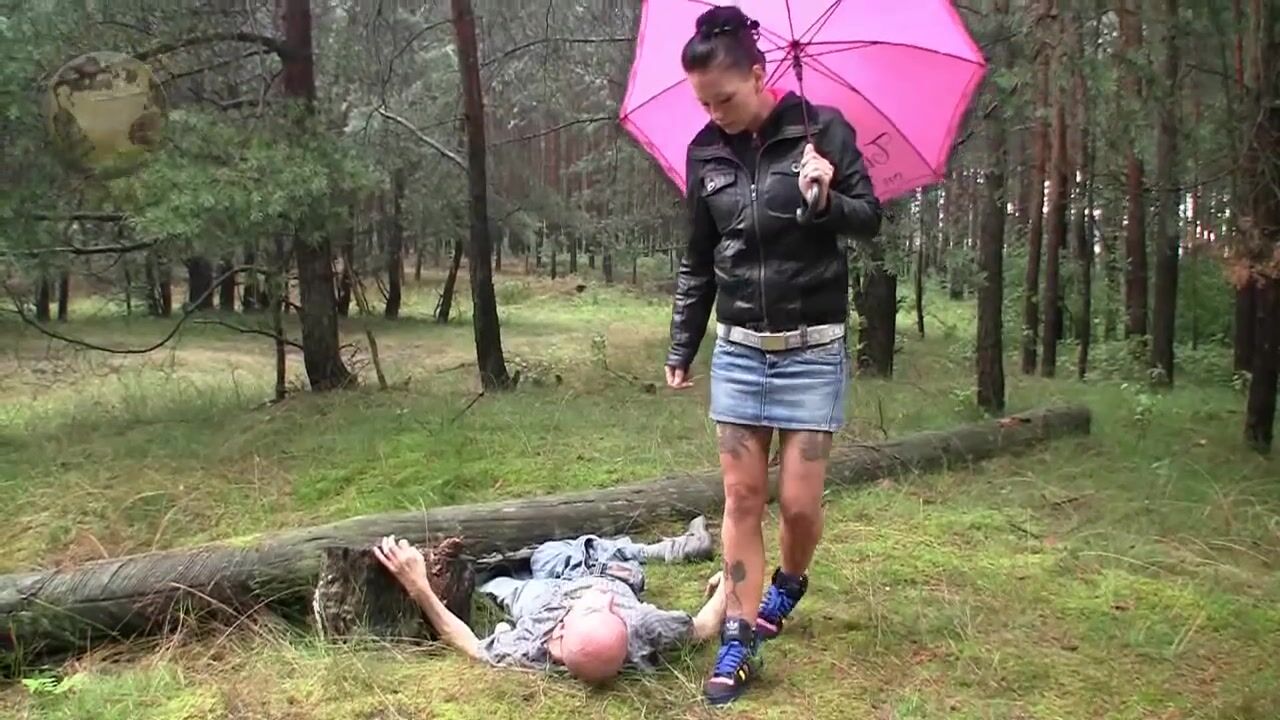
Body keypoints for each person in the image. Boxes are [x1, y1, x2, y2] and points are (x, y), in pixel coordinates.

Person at [663, 5, 884, 706]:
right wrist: (683, 342)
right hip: (739, 351)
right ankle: (738, 636)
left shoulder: (824, 130)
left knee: (798, 505)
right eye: (704, 103)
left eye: (724, 99)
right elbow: (700, 256)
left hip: (812, 349)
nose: (715, 114)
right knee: (741, 497)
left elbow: (871, 218)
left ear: (759, 75)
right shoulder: (705, 153)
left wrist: (826, 200)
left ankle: (789, 582)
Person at [373, 517, 729, 686]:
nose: (605, 600)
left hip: (540, 597)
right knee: (572, 554)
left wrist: (419, 586)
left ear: (557, 637)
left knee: (498, 582)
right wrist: (730, 580)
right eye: (611, 612)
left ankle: (494, 576)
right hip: (608, 572)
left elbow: (468, 644)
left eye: (596, 606)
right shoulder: (645, 627)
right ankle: (668, 550)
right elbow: (704, 626)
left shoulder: (532, 644)